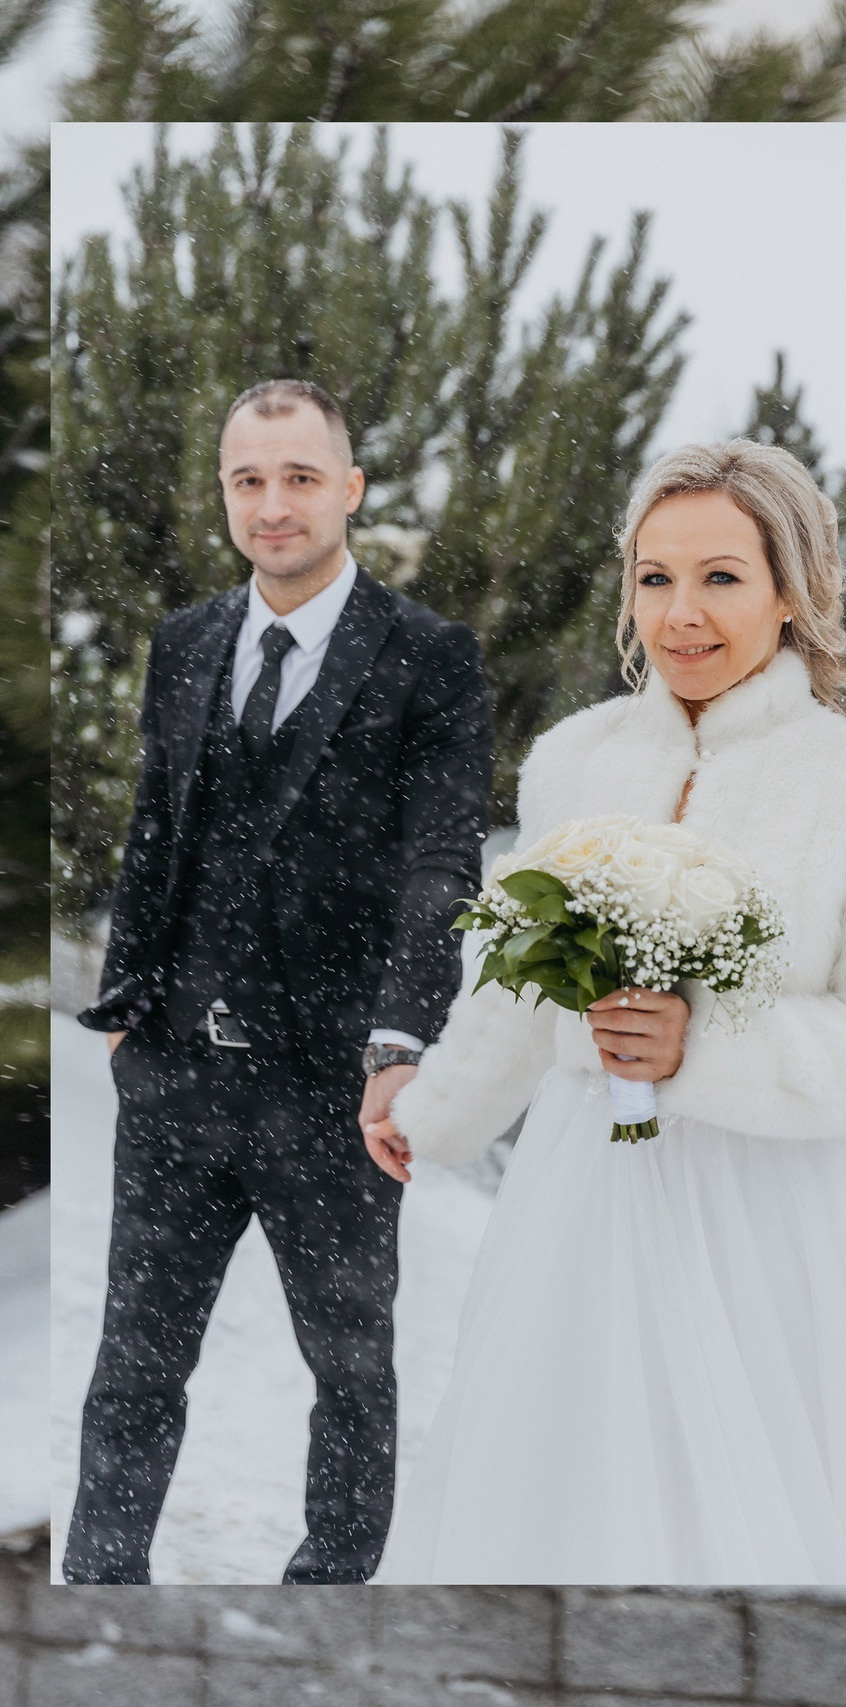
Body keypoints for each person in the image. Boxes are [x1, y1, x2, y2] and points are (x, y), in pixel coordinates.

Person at [363, 439, 846, 1585]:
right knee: (562, 1518)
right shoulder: (573, 762)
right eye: (654, 577)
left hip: (771, 1229)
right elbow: (520, 986)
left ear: (793, 588)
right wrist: (433, 1113)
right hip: (584, 1211)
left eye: (721, 576)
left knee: (746, 1541)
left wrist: (701, 1049)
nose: (682, 614)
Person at [68, 379, 492, 1584]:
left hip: (335, 1093)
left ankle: (328, 1600)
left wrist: (399, 1042)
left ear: (350, 490)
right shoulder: (186, 641)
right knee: (133, 1367)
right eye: (247, 479)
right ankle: (104, 1596)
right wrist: (122, 1008)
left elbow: (438, 864)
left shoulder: (430, 659)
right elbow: (155, 831)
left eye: (300, 477)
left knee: (350, 1370)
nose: (272, 504)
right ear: (225, 491)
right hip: (174, 1085)